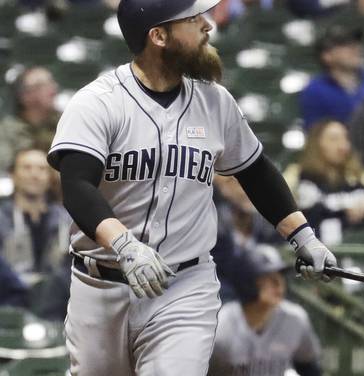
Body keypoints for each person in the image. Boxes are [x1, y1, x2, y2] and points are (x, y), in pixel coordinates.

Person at [46, 1, 337, 375]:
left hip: (184, 285)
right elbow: (77, 186)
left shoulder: (215, 102)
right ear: (159, 36)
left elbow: (257, 173)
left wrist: (303, 236)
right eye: (192, 19)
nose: (207, 25)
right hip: (100, 287)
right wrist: (124, 243)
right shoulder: (98, 102)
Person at [209, 244, 322, 375]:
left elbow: (309, 368)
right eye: (269, 278)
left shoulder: (295, 319)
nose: (279, 284)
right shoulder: (221, 327)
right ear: (248, 282)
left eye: (280, 276)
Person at [284, 119, 364, 244]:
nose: (343, 146)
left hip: (356, 252)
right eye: (334, 139)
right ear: (316, 143)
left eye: (346, 139)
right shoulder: (297, 174)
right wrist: (343, 213)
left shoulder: (361, 175)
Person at [299, 25, 364, 129]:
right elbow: (316, 133)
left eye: (355, 43)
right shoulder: (315, 91)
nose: (355, 49)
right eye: (345, 45)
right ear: (327, 56)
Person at [0, 149, 70, 279]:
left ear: (50, 177)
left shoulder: (65, 219)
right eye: (27, 168)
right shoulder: (2, 218)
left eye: (42, 169)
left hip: (57, 295)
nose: (35, 174)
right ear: (13, 174)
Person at [0, 67, 60, 172]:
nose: (53, 89)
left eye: (51, 82)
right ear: (24, 96)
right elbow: (6, 169)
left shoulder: (64, 124)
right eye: (41, 85)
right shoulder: (7, 131)